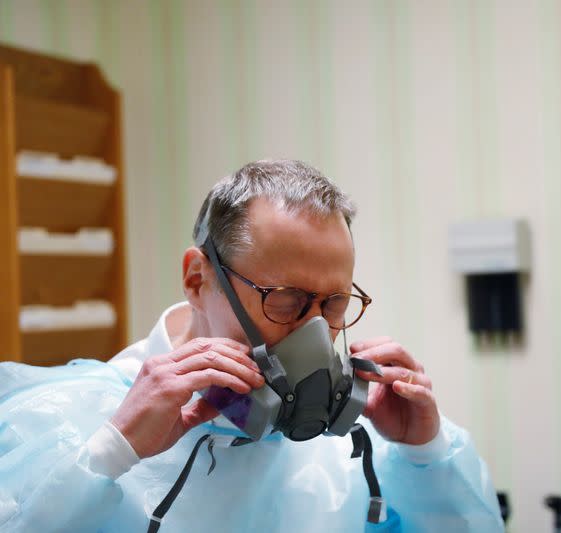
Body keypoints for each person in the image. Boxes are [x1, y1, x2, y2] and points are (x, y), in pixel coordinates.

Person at [0, 160, 504, 532]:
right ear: (198, 280)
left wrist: (425, 456)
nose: (314, 333)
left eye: (333, 304)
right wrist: (110, 452)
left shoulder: (358, 450)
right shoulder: (69, 424)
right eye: (285, 302)